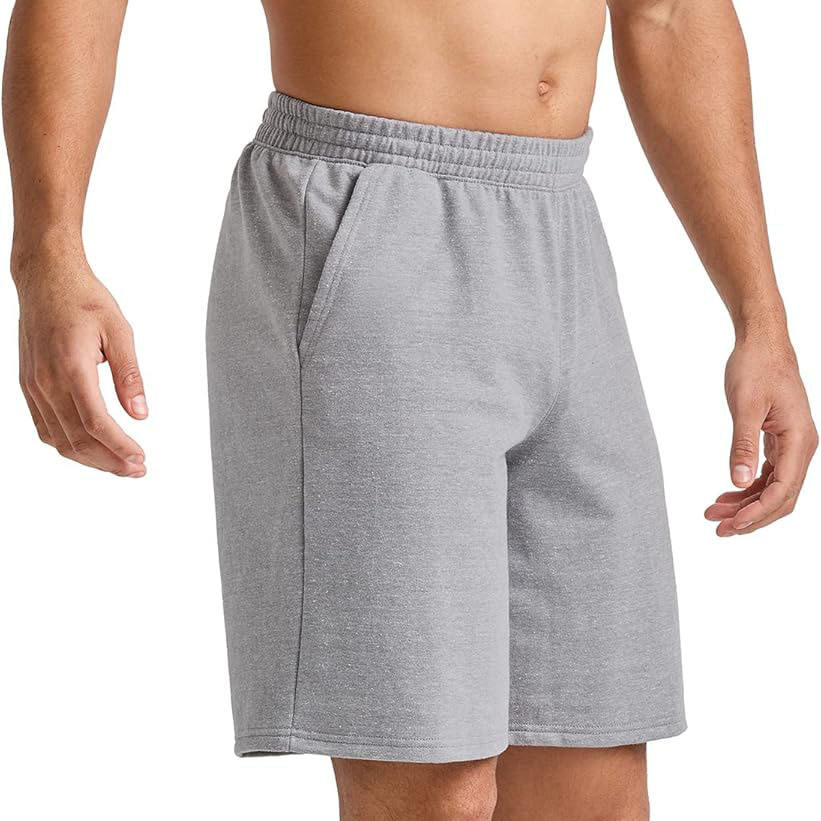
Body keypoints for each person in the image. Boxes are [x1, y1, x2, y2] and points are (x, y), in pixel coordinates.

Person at [4, 1, 816, 818]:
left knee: (592, 773)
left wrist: (761, 318)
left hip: (563, 230)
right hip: (369, 213)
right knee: (432, 784)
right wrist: (47, 252)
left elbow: (668, 13)